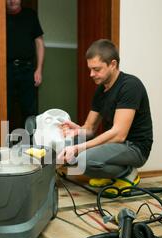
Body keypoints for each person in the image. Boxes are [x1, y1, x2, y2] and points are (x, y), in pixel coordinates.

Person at [58, 39, 153, 193]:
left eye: (96, 69)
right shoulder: (101, 90)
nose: (91, 74)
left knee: (82, 160)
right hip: (115, 145)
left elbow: (119, 135)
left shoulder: (130, 86)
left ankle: (127, 173)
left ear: (113, 64)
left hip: (135, 147)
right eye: (90, 69)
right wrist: (76, 130)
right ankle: (112, 174)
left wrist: (78, 148)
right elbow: (89, 128)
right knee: (64, 146)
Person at [6, 0, 45, 132]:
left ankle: (30, 146)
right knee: (5, 109)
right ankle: (4, 145)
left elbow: (39, 42)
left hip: (28, 69)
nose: (12, 1)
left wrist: (39, 69)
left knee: (30, 111)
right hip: (5, 70)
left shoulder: (30, 15)